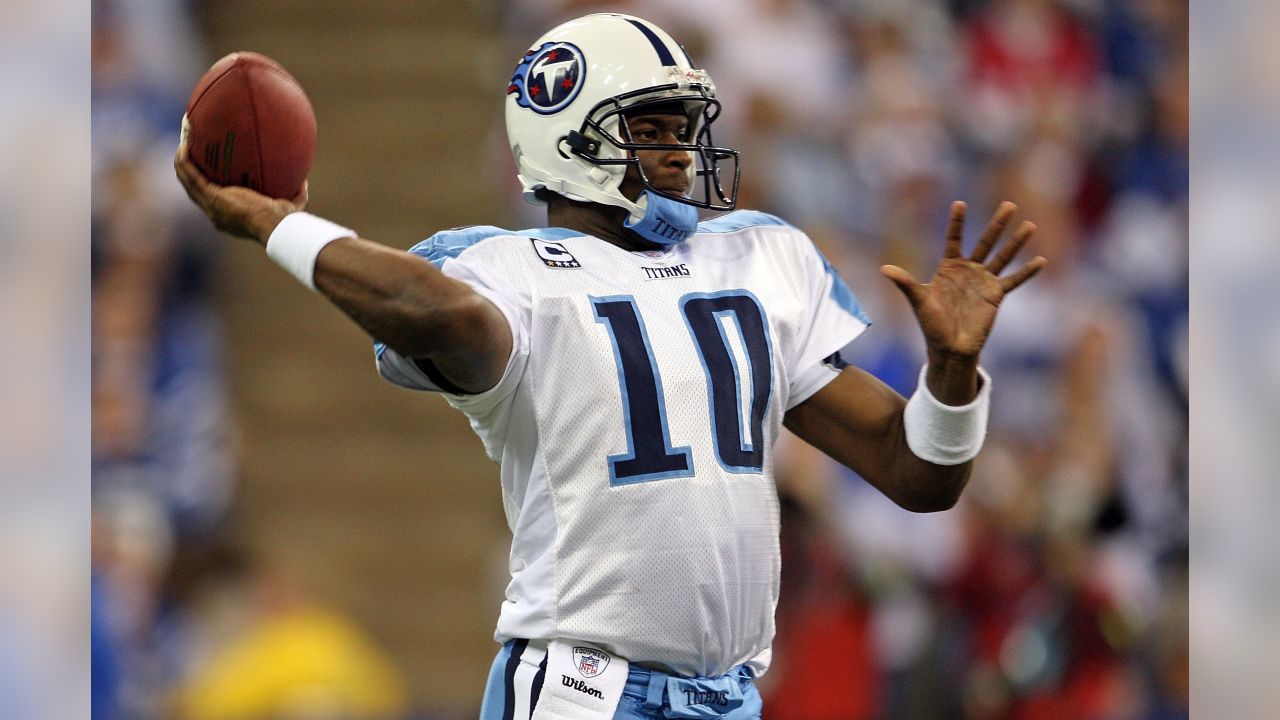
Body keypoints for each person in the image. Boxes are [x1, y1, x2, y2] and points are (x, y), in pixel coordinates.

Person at [174, 12, 1045, 720]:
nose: (680, 151)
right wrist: (275, 224)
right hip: (585, 691)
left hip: (731, 694)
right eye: (652, 128)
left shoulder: (758, 260)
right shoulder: (507, 271)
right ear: (565, 138)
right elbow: (435, 311)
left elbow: (918, 473)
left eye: (685, 127)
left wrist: (953, 376)